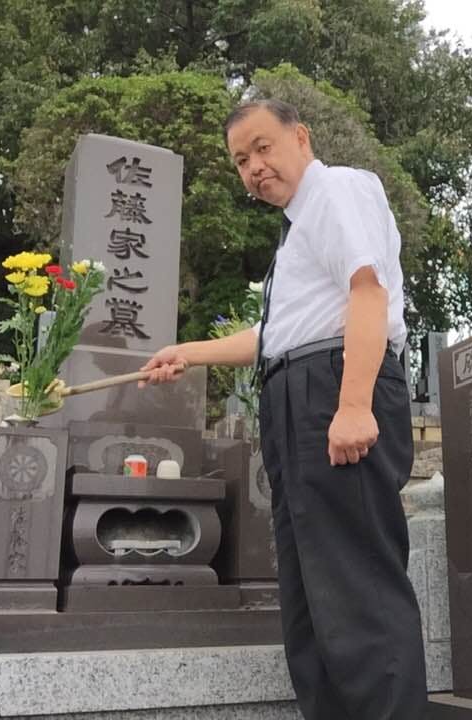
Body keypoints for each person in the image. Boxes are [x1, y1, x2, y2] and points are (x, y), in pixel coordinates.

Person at [139, 99, 428, 720]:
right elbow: (274, 336)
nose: (253, 167)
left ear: (301, 138)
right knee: (310, 598)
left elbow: (368, 291)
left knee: (356, 587)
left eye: (263, 147)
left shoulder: (338, 190)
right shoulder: (296, 233)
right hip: (297, 397)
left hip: (334, 389)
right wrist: (188, 353)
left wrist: (354, 404)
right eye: (241, 160)